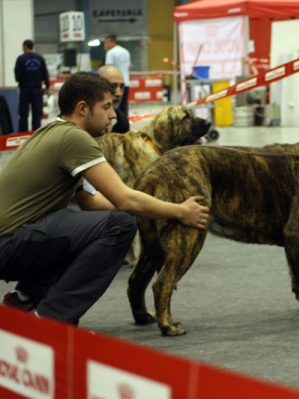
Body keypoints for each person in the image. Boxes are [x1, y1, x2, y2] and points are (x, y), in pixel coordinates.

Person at [0, 71, 209, 326]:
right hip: (9, 245)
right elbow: (125, 200)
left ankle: (23, 300)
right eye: (107, 107)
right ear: (82, 108)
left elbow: (91, 202)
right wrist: (179, 211)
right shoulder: (75, 138)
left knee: (85, 225)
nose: (113, 115)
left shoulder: (53, 132)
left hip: (11, 243)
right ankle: (49, 321)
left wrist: (150, 208)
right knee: (119, 226)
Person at [14, 39, 50, 133]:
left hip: (25, 89)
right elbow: (45, 73)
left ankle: (23, 134)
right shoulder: (40, 58)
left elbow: (17, 75)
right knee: (37, 114)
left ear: (25, 46)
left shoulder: (21, 59)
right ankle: (36, 134)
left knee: (23, 114)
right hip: (37, 90)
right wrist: (47, 86)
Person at [104, 35, 131, 117]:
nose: (105, 45)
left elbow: (108, 69)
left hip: (114, 85)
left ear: (113, 42)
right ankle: (125, 126)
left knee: (113, 106)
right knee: (124, 106)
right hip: (125, 83)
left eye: (107, 42)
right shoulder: (125, 51)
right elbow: (129, 68)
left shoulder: (110, 52)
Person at [97, 64, 130, 133]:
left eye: (121, 87)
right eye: (112, 86)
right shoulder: (84, 120)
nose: (119, 93)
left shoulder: (122, 122)